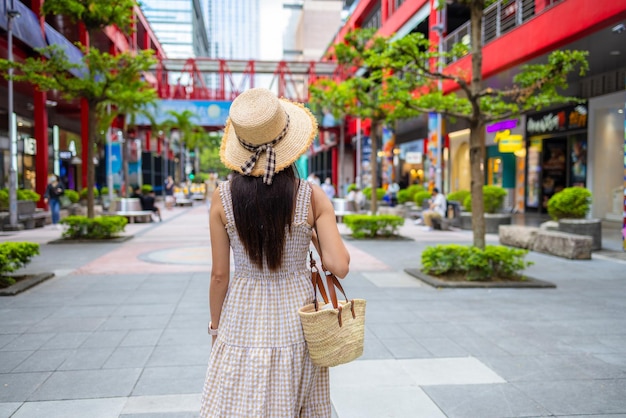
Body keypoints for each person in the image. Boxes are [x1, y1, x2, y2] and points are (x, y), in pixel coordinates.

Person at [200, 88, 350, 417]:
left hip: (242, 312)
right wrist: (310, 236)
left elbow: (219, 275)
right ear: (288, 146)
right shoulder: (311, 196)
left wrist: (215, 326)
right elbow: (338, 265)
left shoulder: (222, 198)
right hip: (298, 315)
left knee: (242, 399)